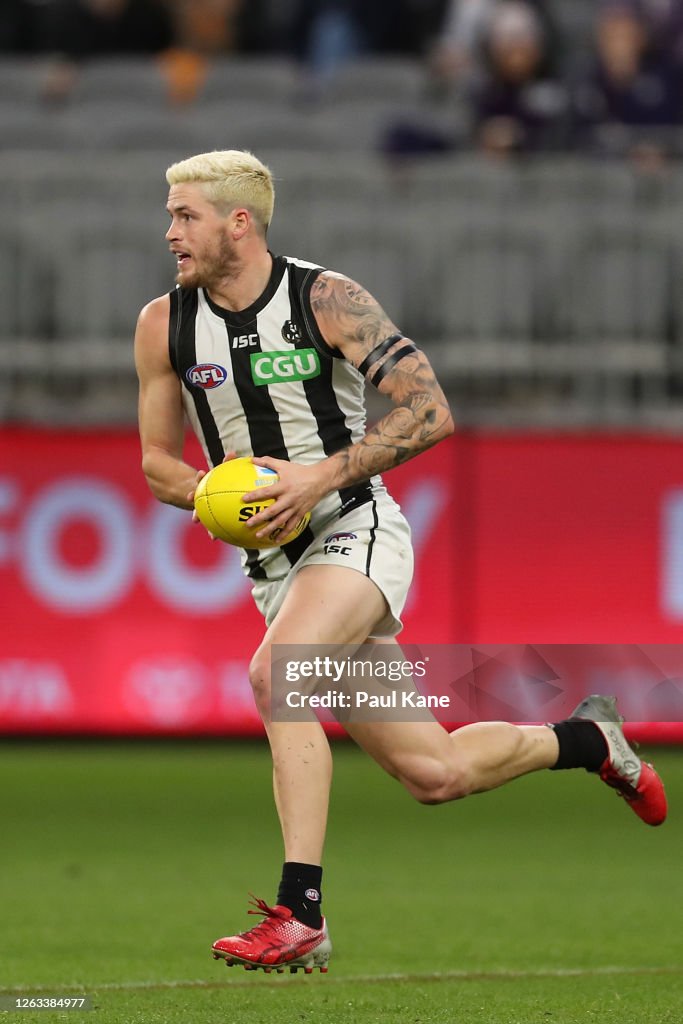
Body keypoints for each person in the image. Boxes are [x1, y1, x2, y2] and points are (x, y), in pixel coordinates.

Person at [134, 149, 667, 976]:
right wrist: (214, 495)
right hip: (278, 570)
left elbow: (429, 409)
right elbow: (157, 465)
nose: (170, 232)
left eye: (184, 215)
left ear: (239, 222)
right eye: (170, 215)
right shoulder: (162, 324)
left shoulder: (324, 299)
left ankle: (299, 911)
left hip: (355, 529)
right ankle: (586, 739)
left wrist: (313, 478)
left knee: (279, 676)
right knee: (434, 772)